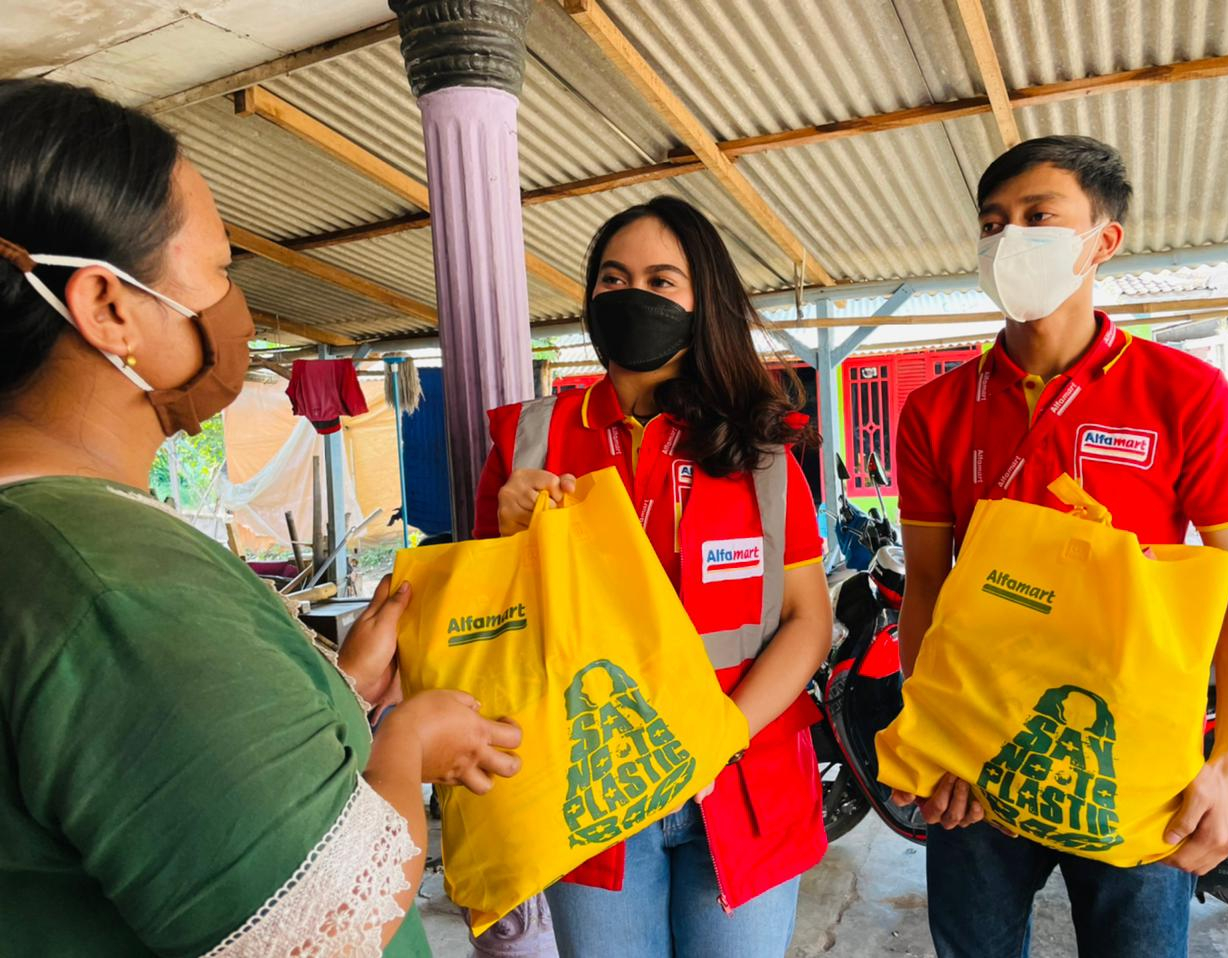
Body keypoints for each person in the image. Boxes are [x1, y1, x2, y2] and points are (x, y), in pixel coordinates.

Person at [0, 78, 522, 957]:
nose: (234, 307)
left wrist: (341, 692)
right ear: (107, 308)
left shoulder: (45, 544)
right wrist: (405, 745)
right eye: (217, 271)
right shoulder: (119, 588)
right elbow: (325, 930)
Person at [892, 135, 1228, 957]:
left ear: (1103, 240)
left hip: (1133, 764)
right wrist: (935, 738)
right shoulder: (935, 410)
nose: (1008, 239)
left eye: (1038, 216)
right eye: (992, 222)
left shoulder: (1185, 393)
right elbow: (924, 583)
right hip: (975, 766)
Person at [473, 196, 833, 957]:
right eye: (613, 278)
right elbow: (484, 628)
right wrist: (505, 535)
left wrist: (719, 736)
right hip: (589, 785)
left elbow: (808, 620)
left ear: (704, 304)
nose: (631, 295)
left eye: (661, 281)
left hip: (740, 778)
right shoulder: (528, 439)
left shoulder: (761, 448)